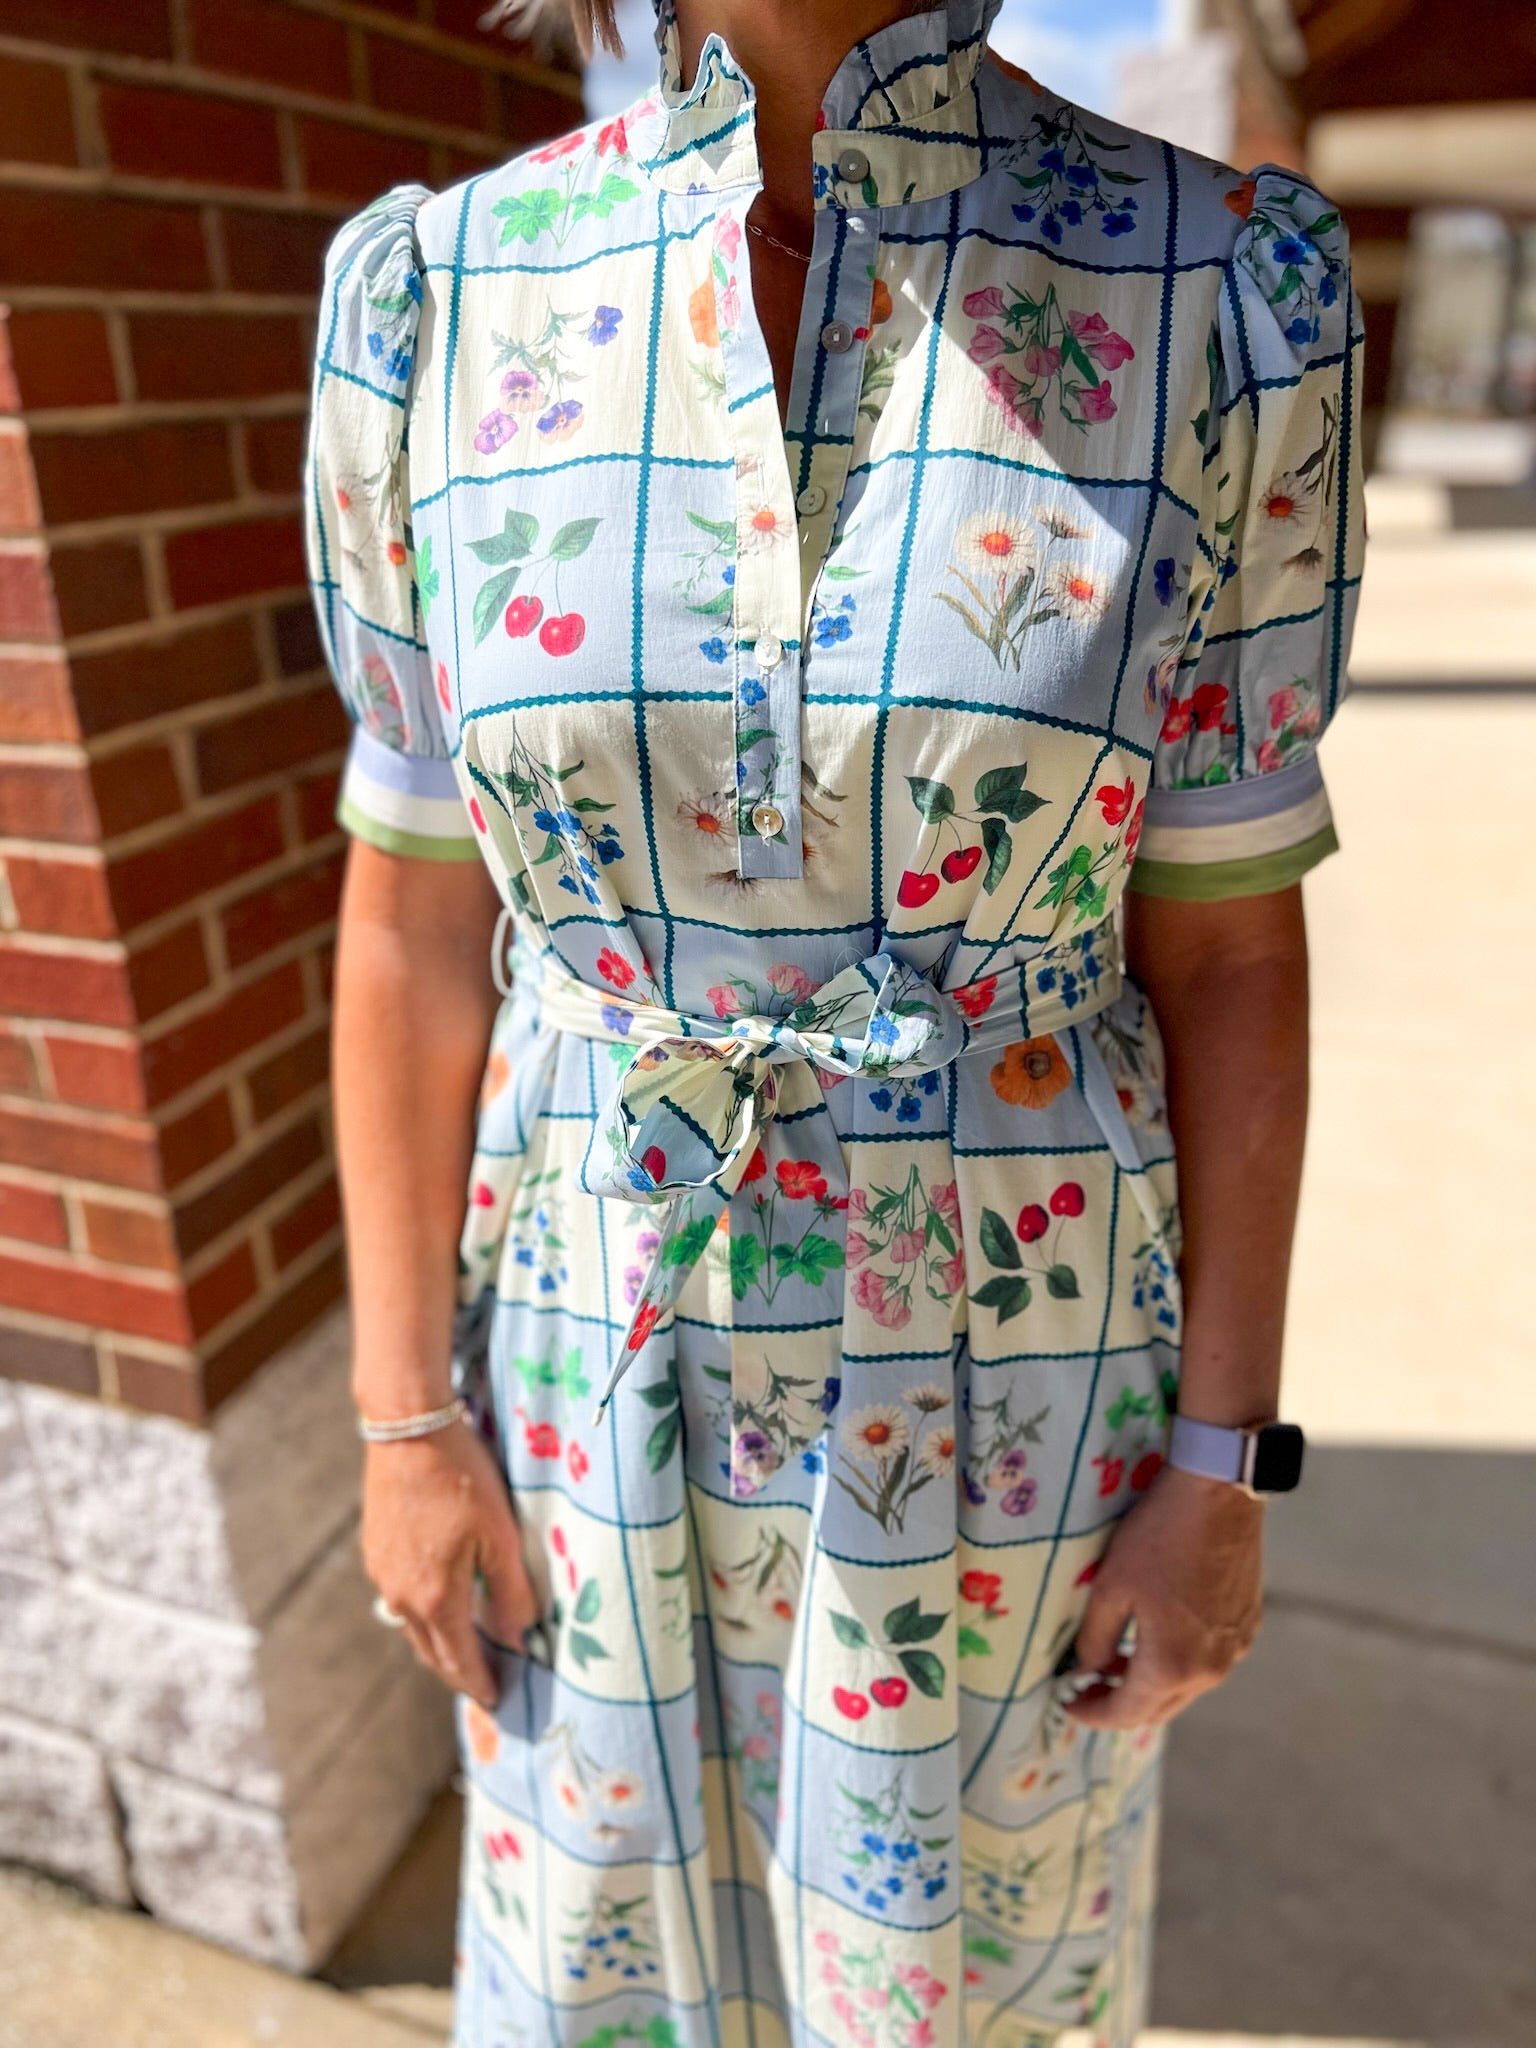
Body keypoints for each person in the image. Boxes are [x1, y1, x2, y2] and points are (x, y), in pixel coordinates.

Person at [303, 2, 1363, 2041]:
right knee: (614, 1966)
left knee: (973, 1976)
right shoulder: (445, 300)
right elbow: (415, 926)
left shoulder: (1218, 289)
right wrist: (398, 1426)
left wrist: (1222, 1465)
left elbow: (1228, 947)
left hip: (1024, 1367)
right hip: (586, 1342)